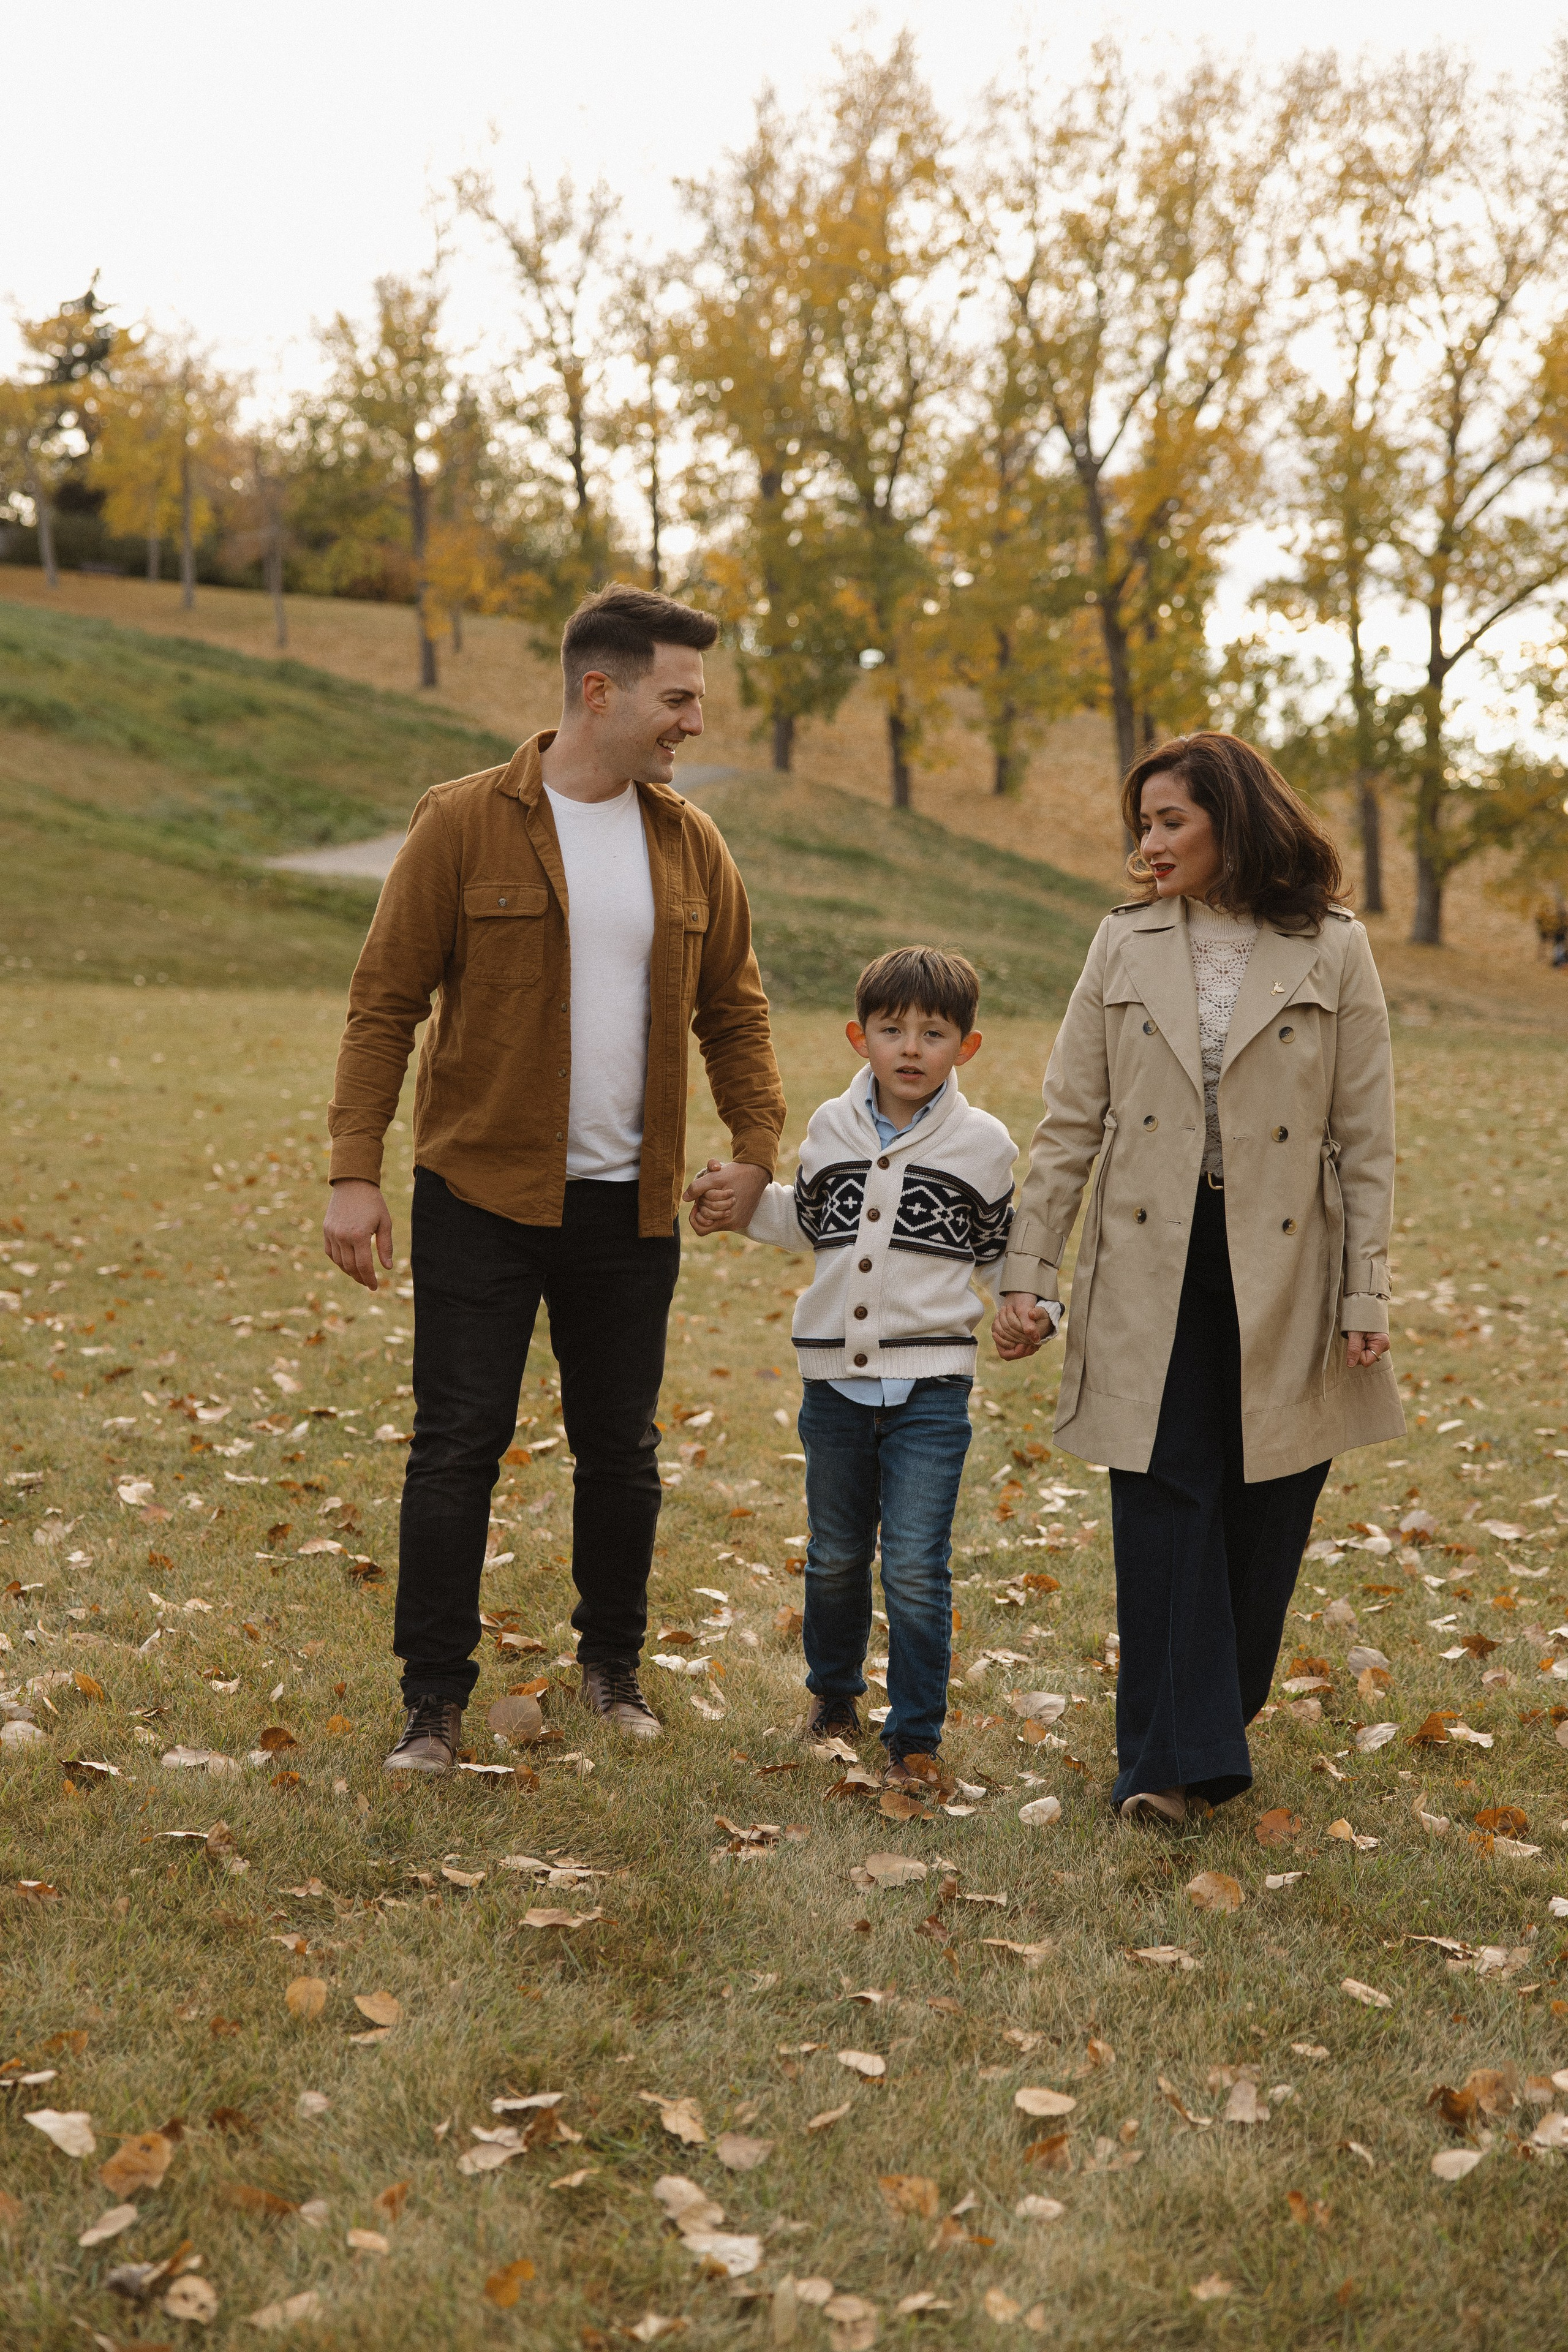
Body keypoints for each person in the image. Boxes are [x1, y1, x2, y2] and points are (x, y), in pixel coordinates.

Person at [322, 583, 786, 1772]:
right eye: (676, 697)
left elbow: (734, 1011)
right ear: (601, 690)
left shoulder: (689, 843)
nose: (692, 721)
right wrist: (351, 1175)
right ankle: (432, 1702)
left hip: (628, 1208)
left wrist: (750, 1150)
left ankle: (612, 1670)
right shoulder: (462, 823)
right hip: (477, 1193)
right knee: (455, 1445)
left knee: (619, 1449)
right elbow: (384, 1004)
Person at [993, 733, 1404, 1825]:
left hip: (1287, 1267)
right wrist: (1026, 1272)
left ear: (1235, 818)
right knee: (1165, 1500)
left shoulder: (1333, 947)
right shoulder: (1122, 944)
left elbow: (1367, 1138)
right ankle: (1171, 1768)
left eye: (1172, 819)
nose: (1150, 842)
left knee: (1267, 1510)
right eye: (1144, 822)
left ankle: (1207, 1719)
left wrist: (1364, 1292)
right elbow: (1070, 1120)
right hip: (1149, 1261)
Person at [689, 948, 1017, 1792]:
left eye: (934, 1033)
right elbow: (807, 1218)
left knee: (913, 1561)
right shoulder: (830, 1129)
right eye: (892, 1030)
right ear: (858, 1038)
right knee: (835, 1553)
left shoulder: (983, 1147)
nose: (912, 1048)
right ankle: (833, 1697)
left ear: (966, 1048)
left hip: (932, 1391)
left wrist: (1033, 1305)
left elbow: (1004, 1252)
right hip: (832, 1387)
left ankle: (914, 1734)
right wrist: (737, 1205)